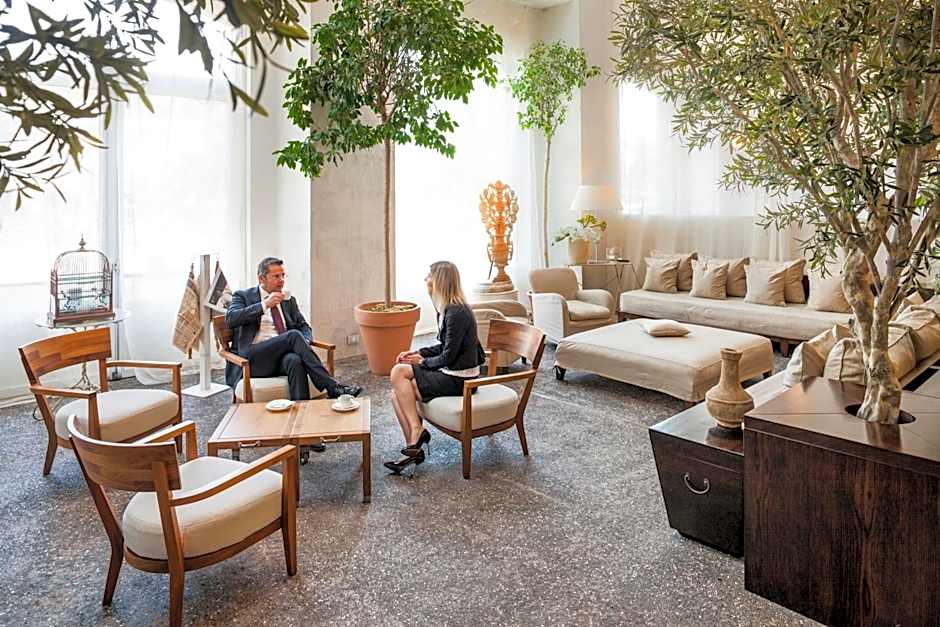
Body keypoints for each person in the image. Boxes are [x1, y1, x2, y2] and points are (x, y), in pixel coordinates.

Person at [384, 261, 486, 475]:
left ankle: (416, 434)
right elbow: (444, 347)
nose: (426, 279)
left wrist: (421, 362)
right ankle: (413, 446)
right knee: (396, 392)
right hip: (451, 372)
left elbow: (448, 356)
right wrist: (418, 353)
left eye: (429, 275)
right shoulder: (447, 309)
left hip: (461, 380)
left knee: (398, 376)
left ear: (439, 280)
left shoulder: (457, 312)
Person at [225, 256, 362, 403]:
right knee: (293, 336)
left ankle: (301, 410)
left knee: (295, 360)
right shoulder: (243, 296)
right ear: (261, 278)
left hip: (279, 357)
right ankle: (333, 387)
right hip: (252, 360)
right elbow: (231, 318)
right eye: (276, 276)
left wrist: (304, 343)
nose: (281, 280)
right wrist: (265, 304)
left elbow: (303, 326)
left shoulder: (288, 300)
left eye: (283, 275)